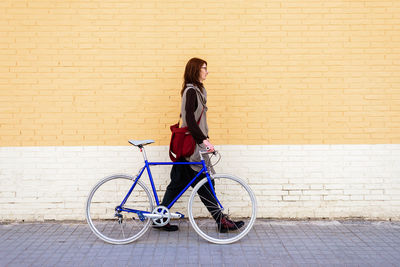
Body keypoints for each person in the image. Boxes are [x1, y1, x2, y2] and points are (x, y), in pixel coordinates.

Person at [155, 58, 244, 232]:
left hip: (189, 147)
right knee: (204, 184)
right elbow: (189, 119)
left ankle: (159, 218)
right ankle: (221, 221)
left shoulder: (197, 90)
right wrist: (203, 140)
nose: (207, 72)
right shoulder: (191, 91)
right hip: (192, 149)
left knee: (177, 185)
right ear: (196, 70)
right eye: (204, 68)